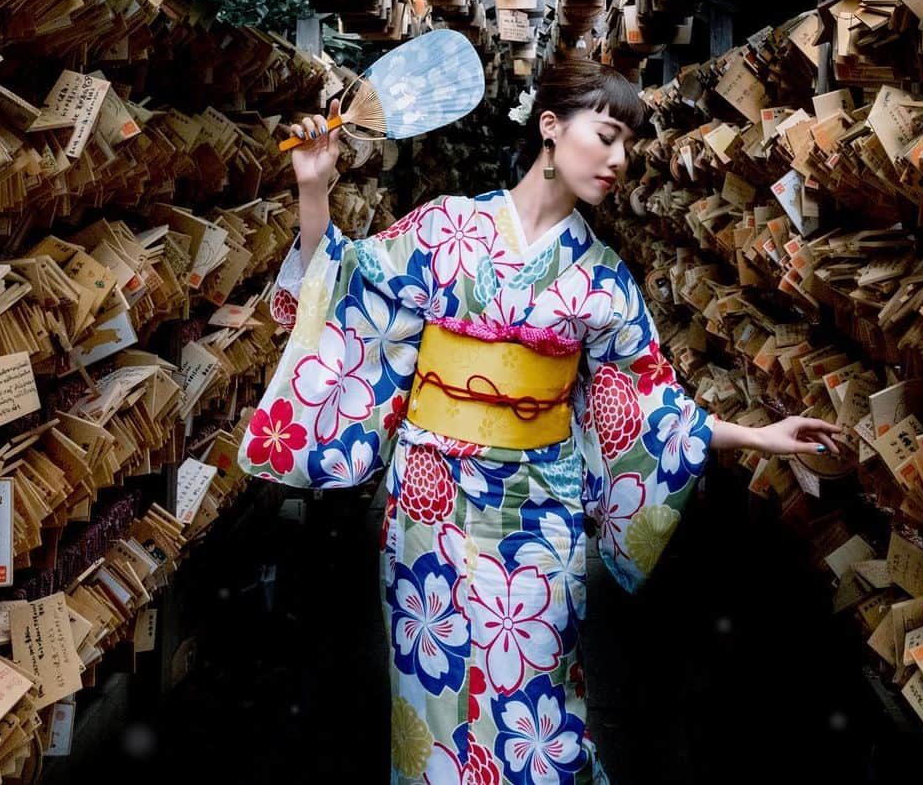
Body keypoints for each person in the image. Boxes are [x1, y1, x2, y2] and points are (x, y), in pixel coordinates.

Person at [238, 58, 845, 784]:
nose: (620, 159)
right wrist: (314, 189)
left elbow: (646, 402)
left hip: (538, 513)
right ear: (551, 128)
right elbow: (338, 291)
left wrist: (753, 435)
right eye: (609, 134)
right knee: (431, 698)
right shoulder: (446, 227)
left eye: (629, 144)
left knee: (536, 691)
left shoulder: (603, 276)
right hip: (429, 505)